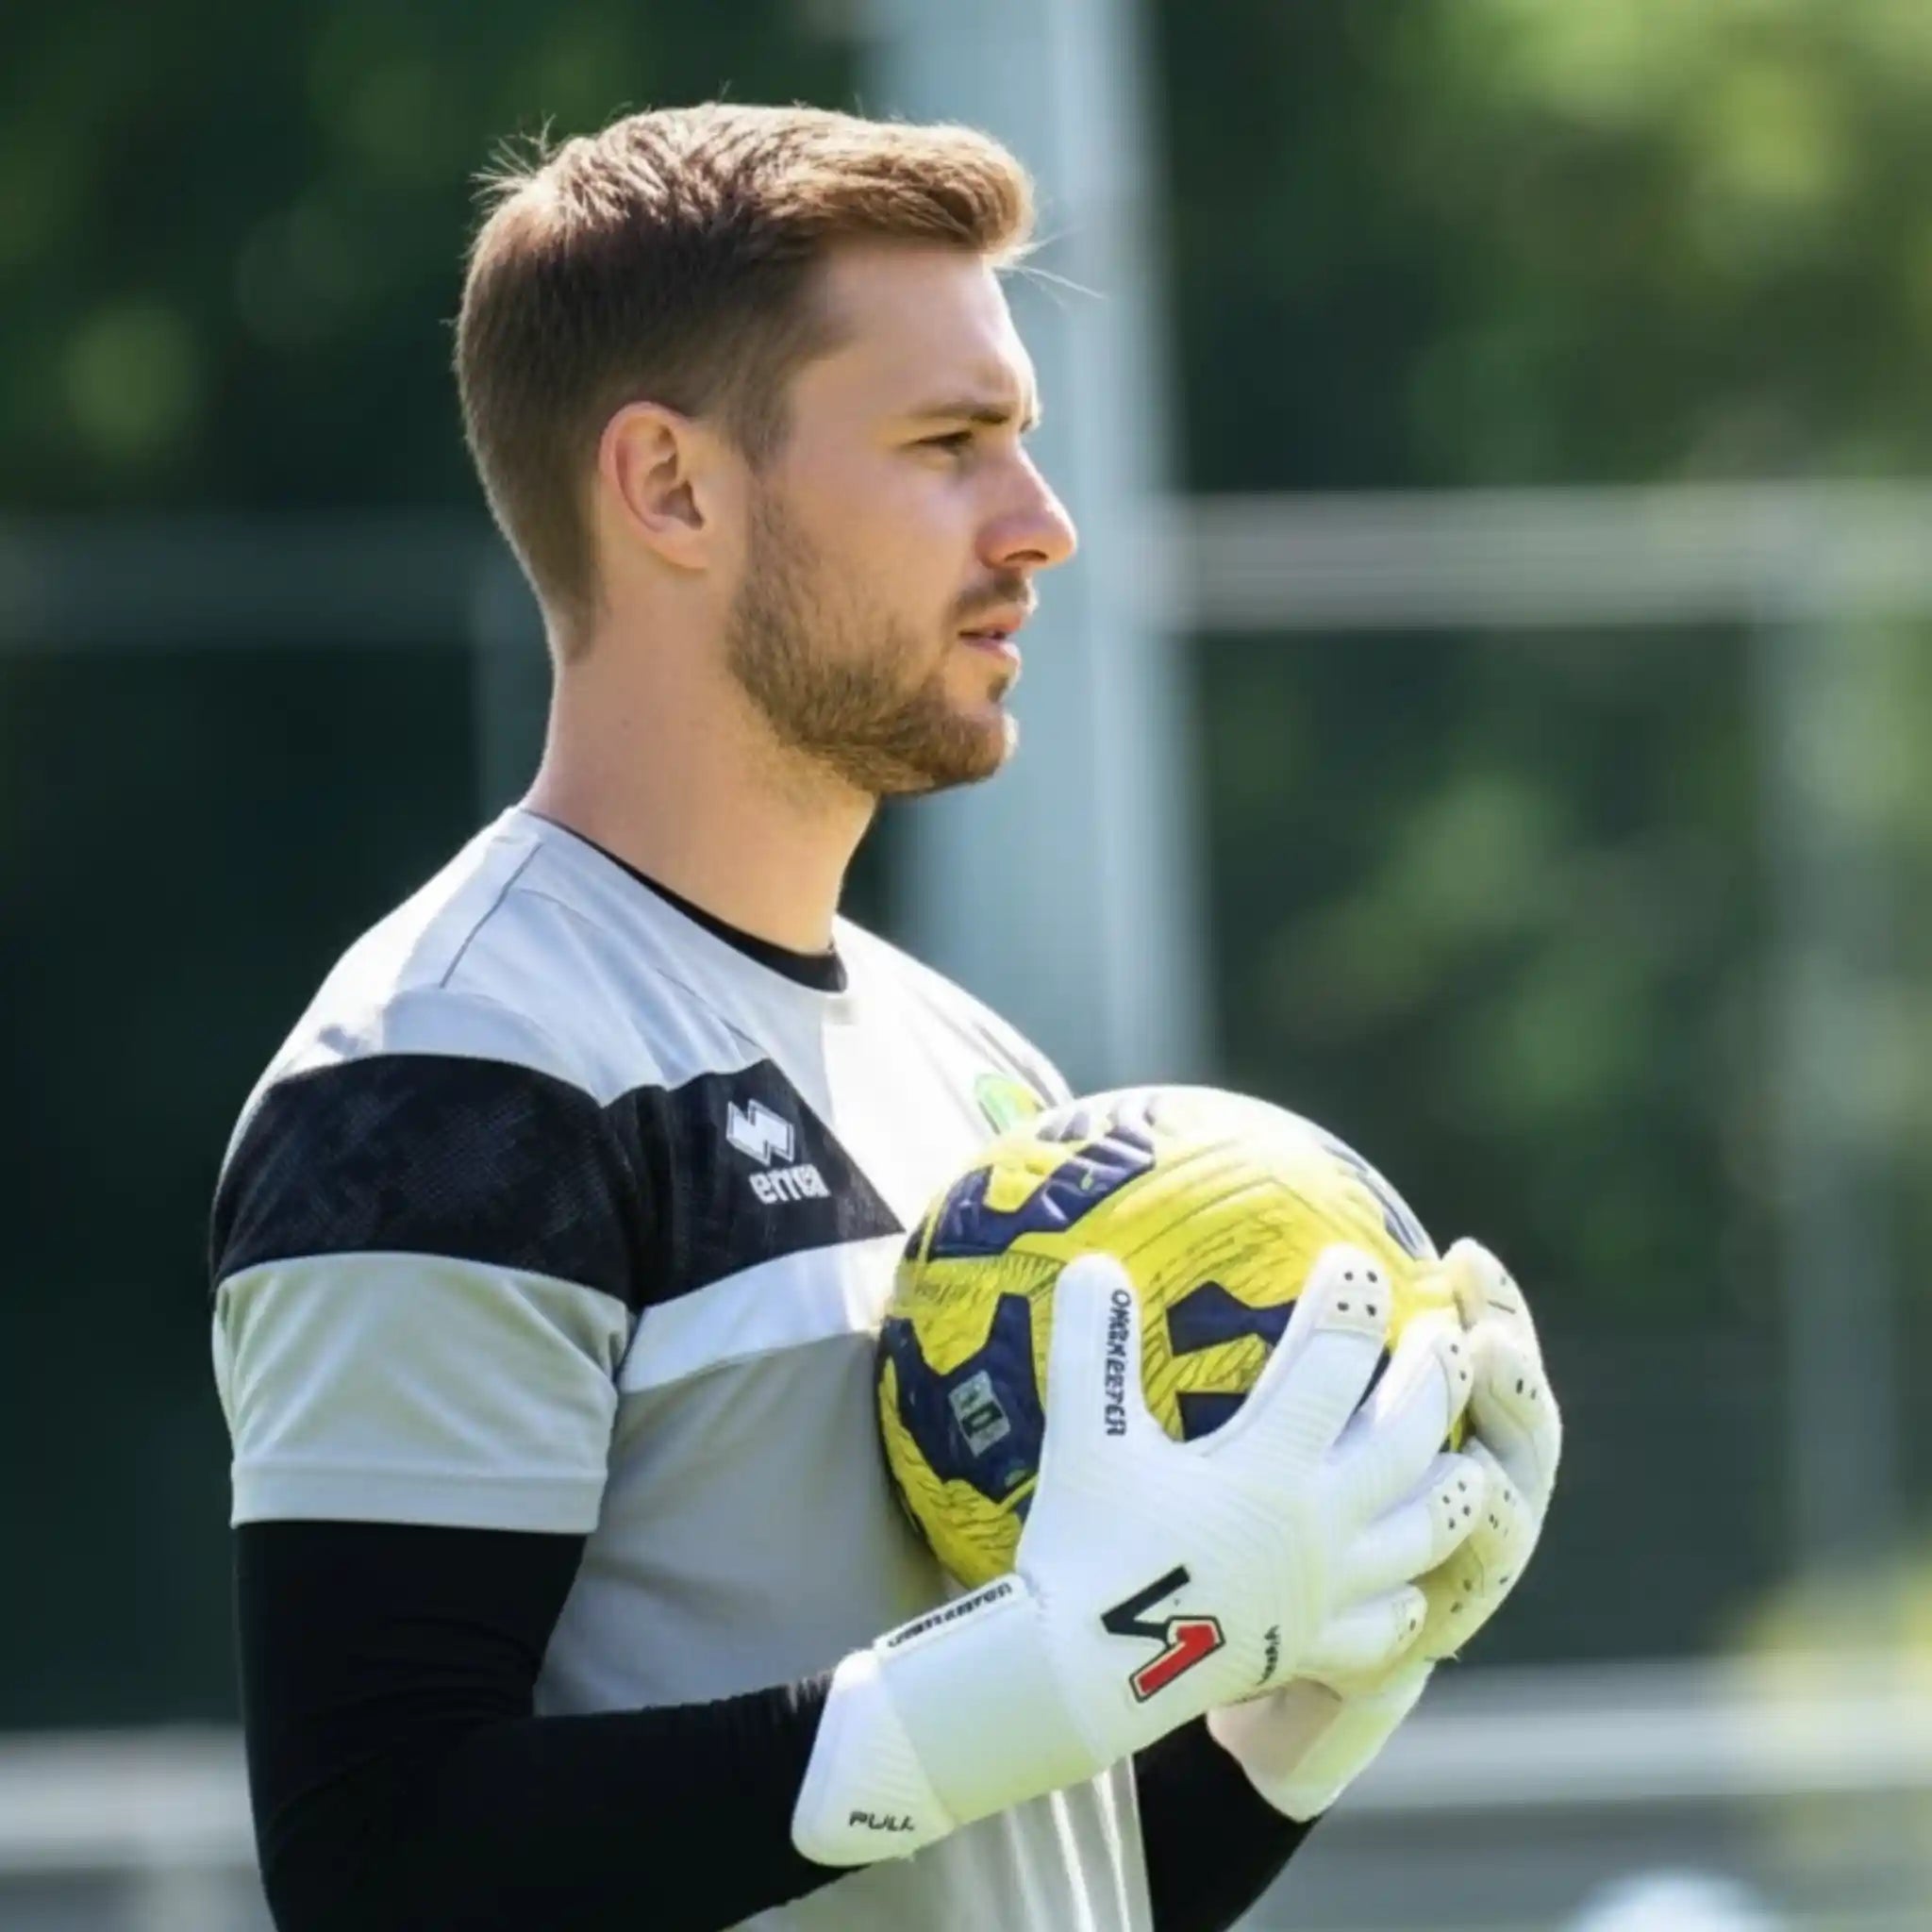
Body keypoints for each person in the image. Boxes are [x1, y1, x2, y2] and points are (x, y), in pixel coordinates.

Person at [209, 103, 1562, 1932]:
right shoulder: (456, 1075)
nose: (1044, 525)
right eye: (951, 445)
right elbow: (384, 1867)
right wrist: (1064, 1669)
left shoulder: (986, 1079)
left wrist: (1284, 1713)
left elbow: (1002, 1859)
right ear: (672, 488)